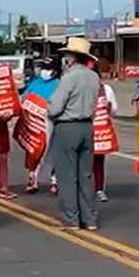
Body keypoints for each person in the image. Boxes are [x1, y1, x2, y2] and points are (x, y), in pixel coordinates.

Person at [48, 36, 101, 230]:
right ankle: (89, 218)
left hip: (67, 126)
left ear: (71, 57)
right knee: (86, 175)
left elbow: (54, 108)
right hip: (87, 126)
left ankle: (71, 218)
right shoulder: (93, 77)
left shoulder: (68, 77)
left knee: (67, 175)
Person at [21, 58, 61, 194]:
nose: (44, 71)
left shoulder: (58, 84)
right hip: (33, 122)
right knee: (33, 150)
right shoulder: (35, 82)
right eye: (43, 68)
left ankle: (54, 180)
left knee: (51, 150)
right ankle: (33, 178)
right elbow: (24, 97)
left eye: (47, 68)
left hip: (49, 121)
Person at [92, 72, 118, 202]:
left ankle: (98, 189)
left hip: (100, 131)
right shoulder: (77, 88)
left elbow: (114, 110)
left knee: (97, 161)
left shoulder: (106, 89)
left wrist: (108, 106)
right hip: (84, 129)